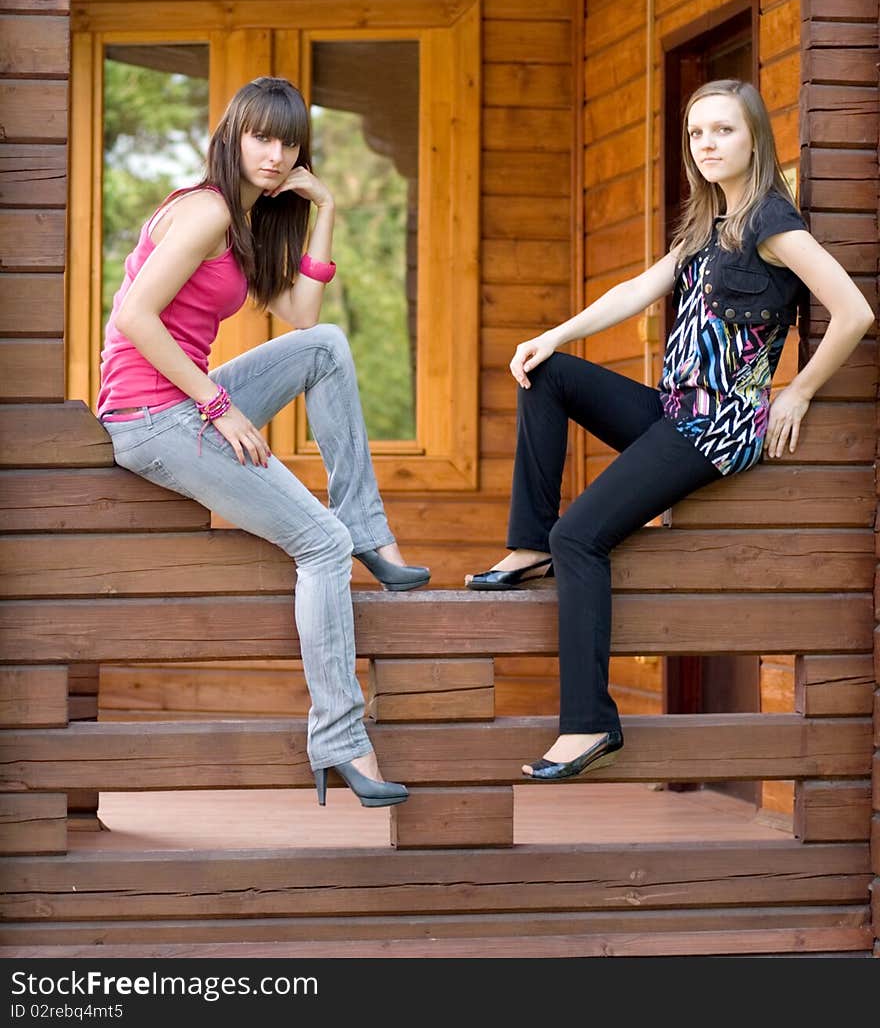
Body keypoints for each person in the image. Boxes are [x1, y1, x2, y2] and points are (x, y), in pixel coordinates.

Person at [466, 79, 874, 783]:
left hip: (718, 426)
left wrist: (798, 392)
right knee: (550, 374)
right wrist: (550, 334)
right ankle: (526, 545)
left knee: (582, 536)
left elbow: (855, 311)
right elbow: (633, 292)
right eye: (696, 134)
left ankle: (590, 722)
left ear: (754, 140)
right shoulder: (710, 224)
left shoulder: (773, 222)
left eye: (723, 131)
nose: (708, 145)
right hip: (674, 408)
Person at [97, 75, 430, 809]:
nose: (276, 155)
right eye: (262, 137)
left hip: (182, 403)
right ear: (233, 136)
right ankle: (341, 738)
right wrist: (218, 406)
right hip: (153, 416)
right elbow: (134, 319)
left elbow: (304, 318)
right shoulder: (208, 210)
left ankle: (370, 529)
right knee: (320, 544)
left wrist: (328, 210)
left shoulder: (247, 223)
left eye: (288, 142)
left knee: (330, 345)